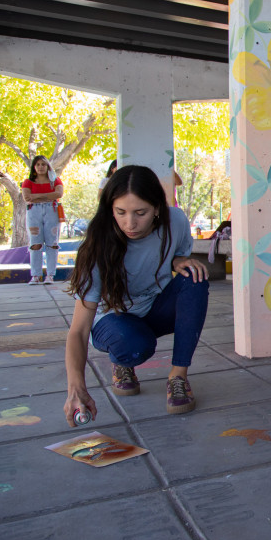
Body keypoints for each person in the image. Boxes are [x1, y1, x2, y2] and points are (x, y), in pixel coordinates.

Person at [64, 164, 210, 425]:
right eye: (120, 212)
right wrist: (76, 388)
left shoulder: (175, 221)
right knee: (134, 344)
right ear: (110, 208)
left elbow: (177, 254)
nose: (129, 223)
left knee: (195, 279)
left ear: (157, 208)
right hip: (114, 321)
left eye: (140, 213)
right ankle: (121, 361)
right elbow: (78, 330)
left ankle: (178, 377)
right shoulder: (96, 247)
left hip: (153, 309)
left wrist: (178, 261)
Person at [21, 155, 63, 285]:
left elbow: (59, 194)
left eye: (43, 164)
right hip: (34, 211)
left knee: (52, 243)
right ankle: (35, 275)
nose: (40, 167)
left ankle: (50, 275)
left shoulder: (55, 181)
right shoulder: (28, 182)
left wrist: (37, 196)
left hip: (52, 210)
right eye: (38, 164)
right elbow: (27, 197)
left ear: (48, 166)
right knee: (35, 243)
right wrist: (47, 196)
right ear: (34, 167)